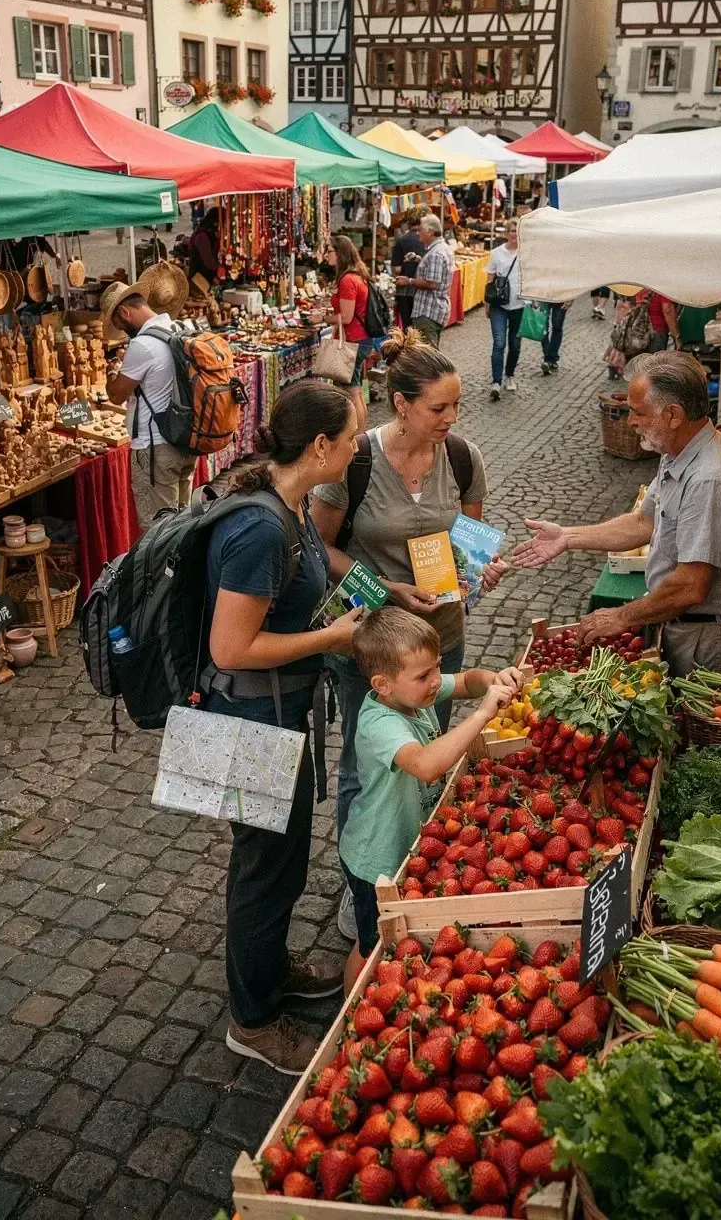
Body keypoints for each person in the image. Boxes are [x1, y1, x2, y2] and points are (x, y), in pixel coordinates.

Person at [311, 328, 507, 938]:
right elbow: (319, 545)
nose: (451, 418)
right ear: (401, 404)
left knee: (429, 747)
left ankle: (412, 862)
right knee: (365, 765)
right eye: (438, 407)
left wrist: (479, 574)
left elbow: (465, 547)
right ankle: (362, 882)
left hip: (442, 633)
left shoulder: (465, 459)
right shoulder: (357, 461)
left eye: (456, 406)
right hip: (371, 638)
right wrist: (386, 588)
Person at [205, 382, 362, 1072]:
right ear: (321, 446)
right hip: (248, 723)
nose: (359, 449)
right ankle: (255, 1019)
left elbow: (314, 562)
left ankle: (269, 971)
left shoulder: (284, 501)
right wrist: (327, 641)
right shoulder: (259, 526)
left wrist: (380, 587)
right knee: (264, 870)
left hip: (272, 715)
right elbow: (231, 649)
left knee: (282, 859)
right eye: (353, 439)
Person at [513, 351, 721, 678]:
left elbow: (691, 585)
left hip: (712, 640)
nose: (630, 420)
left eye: (638, 412)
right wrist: (567, 537)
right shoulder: (676, 452)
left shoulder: (710, 479)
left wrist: (621, 617)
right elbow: (643, 522)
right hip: (687, 627)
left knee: (696, 726)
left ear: (673, 415)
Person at [340, 608, 522, 985]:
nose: (436, 680)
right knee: (374, 947)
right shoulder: (380, 724)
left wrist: (493, 680)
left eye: (437, 667)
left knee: (401, 935)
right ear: (382, 684)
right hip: (377, 858)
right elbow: (426, 765)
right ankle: (351, 1004)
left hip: (410, 845)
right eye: (425, 675)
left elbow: (469, 680)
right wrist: (483, 714)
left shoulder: (413, 692)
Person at [101, 278, 195, 530]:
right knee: (182, 523)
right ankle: (181, 569)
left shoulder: (142, 344)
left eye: (120, 324)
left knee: (158, 532)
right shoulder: (179, 327)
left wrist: (112, 372)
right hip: (184, 440)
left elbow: (116, 395)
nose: (122, 330)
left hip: (156, 449)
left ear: (124, 311)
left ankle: (162, 570)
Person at [326, 235, 374, 431]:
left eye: (329, 250)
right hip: (361, 338)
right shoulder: (358, 275)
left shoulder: (347, 280)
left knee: (352, 391)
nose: (326, 254)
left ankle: (357, 435)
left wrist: (322, 319)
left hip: (352, 340)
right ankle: (360, 432)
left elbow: (346, 317)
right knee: (357, 390)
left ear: (340, 253)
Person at [395, 214, 453, 348]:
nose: (418, 233)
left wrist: (409, 281)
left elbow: (432, 283)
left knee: (427, 355)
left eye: (421, 230)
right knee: (428, 352)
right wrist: (419, 260)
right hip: (432, 309)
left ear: (431, 232)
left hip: (429, 310)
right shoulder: (439, 249)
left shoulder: (436, 254)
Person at [485, 216, 523, 399]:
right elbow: (490, 279)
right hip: (499, 305)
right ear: (507, 233)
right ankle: (496, 381)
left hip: (520, 304)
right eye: (512, 231)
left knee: (515, 345)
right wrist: (486, 304)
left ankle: (510, 375)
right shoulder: (497, 253)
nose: (514, 234)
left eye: (517, 231)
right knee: (499, 343)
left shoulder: (525, 254)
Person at [391, 212, 427, 331]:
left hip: (405, 290)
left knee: (407, 326)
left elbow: (397, 269)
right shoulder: (427, 240)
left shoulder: (402, 240)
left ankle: (408, 346)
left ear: (408, 223)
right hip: (422, 286)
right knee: (420, 327)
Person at [189, 205, 220, 286]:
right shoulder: (203, 236)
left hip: (204, 278)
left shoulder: (208, 232)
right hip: (200, 281)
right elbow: (209, 262)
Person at [541, 301, 570, 375]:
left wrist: (571, 299)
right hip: (544, 294)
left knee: (557, 326)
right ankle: (550, 358)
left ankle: (549, 359)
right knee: (543, 327)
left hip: (562, 296)